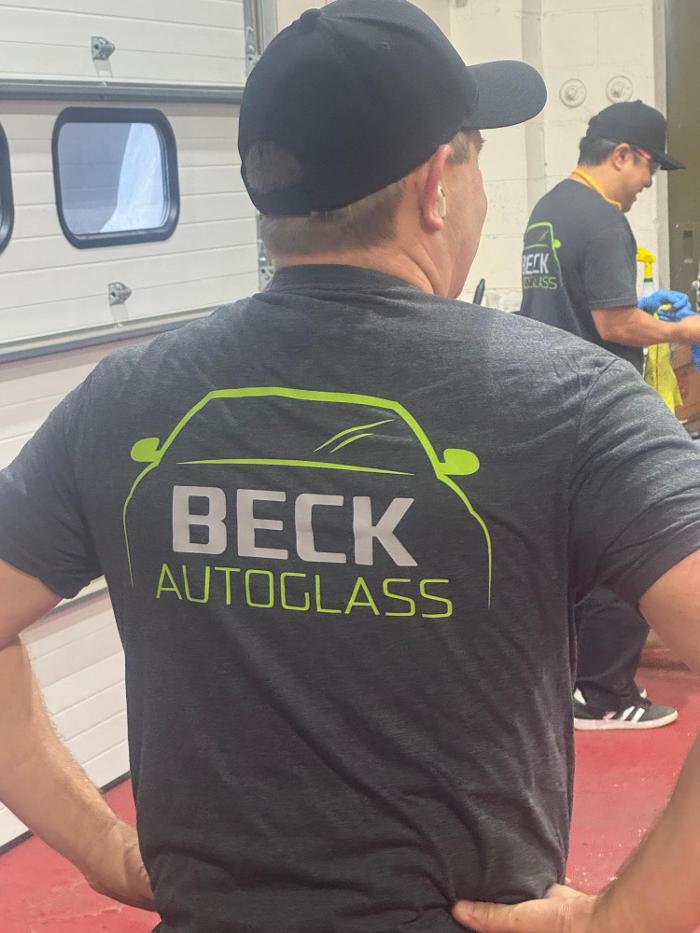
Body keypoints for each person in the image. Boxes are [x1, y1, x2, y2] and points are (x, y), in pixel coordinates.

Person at [1, 3, 700, 932]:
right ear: (436, 187)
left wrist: (101, 847)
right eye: (477, 155)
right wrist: (623, 917)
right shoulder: (570, 401)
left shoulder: (125, 400)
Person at [519, 100, 699, 731]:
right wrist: (685, 329)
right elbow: (614, 323)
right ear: (623, 154)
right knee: (630, 540)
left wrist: (645, 307)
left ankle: (569, 679)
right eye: (649, 167)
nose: (649, 181)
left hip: (547, 396)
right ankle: (604, 694)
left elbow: (567, 304)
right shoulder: (603, 221)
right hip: (595, 405)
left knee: (569, 550)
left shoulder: (548, 211)